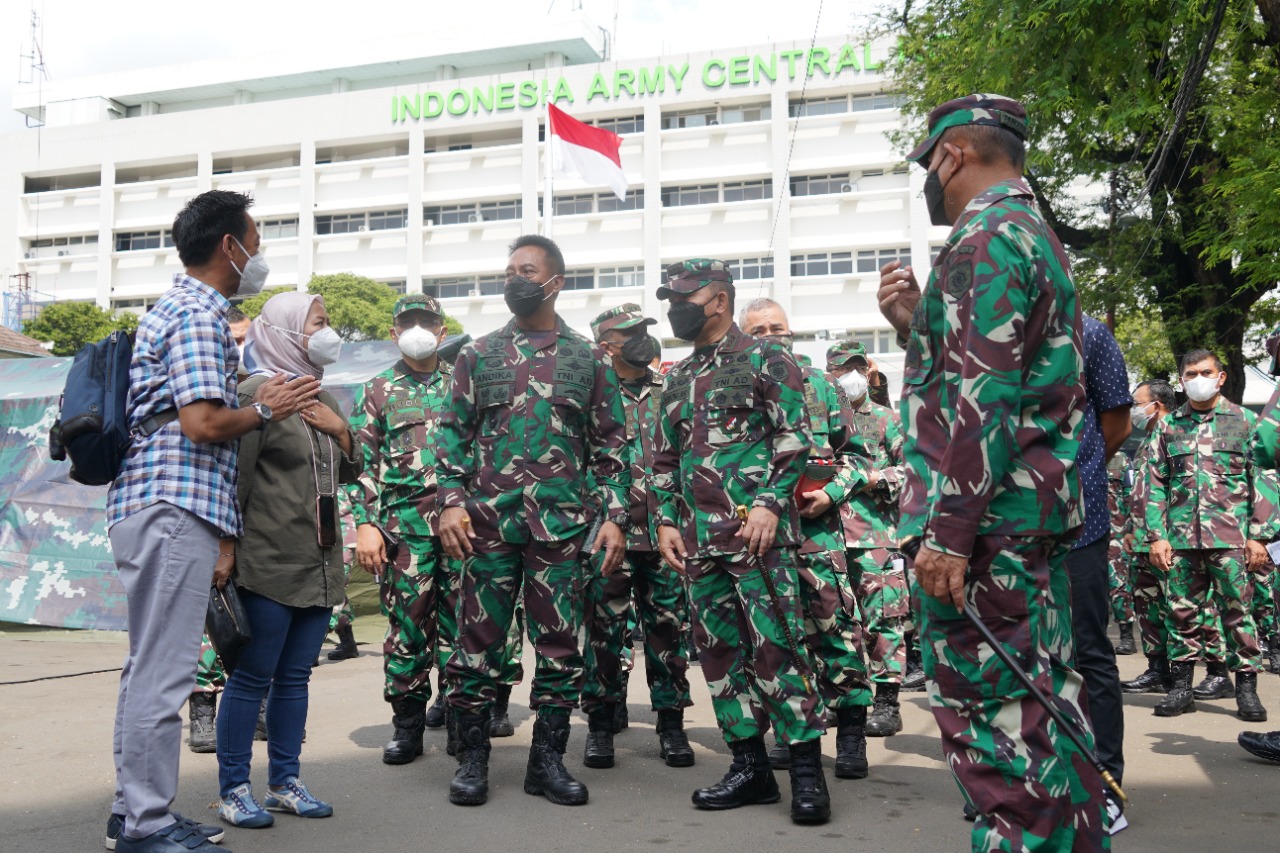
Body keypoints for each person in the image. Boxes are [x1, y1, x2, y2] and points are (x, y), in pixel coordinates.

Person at [877, 94, 1108, 850]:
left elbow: (987, 400)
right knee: (1043, 712)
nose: (928, 181)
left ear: (956, 153)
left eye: (928, 163)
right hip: (1020, 520)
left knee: (997, 734)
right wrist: (919, 326)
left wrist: (946, 533)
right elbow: (997, 371)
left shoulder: (985, 237)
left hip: (984, 532)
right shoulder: (1031, 231)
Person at [104, 189, 318, 853]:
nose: (258, 251)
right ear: (230, 245)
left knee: (148, 670)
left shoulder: (175, 310)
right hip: (173, 505)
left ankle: (133, 813)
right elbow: (201, 423)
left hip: (158, 504)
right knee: (164, 674)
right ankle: (145, 823)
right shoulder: (197, 314)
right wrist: (266, 409)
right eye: (254, 236)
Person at [434, 234, 630, 808]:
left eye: (526, 269)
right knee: (476, 644)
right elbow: (451, 436)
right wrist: (449, 500)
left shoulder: (588, 358)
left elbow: (613, 444)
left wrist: (614, 515)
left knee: (561, 648)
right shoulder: (479, 354)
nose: (513, 278)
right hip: (486, 527)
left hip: (562, 531)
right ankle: (471, 761)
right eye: (509, 270)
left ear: (555, 281)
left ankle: (547, 762)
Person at [653, 260, 831, 825]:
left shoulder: (764, 357)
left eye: (686, 296)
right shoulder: (678, 376)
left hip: (758, 539)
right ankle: (750, 768)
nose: (676, 306)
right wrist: (664, 521)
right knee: (720, 657)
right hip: (699, 543)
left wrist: (769, 503)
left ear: (720, 300)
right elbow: (662, 459)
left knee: (778, 649)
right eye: (671, 297)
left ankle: (805, 773)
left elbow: (794, 436)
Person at [213, 291, 359, 829]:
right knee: (252, 677)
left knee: (296, 677)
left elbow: (348, 471)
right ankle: (233, 789)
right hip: (268, 557)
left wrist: (340, 430)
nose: (328, 332)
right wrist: (227, 549)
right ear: (288, 330)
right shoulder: (258, 393)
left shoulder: (322, 396)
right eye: (318, 323)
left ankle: (283, 782)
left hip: (318, 559)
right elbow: (235, 478)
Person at [739, 299, 874, 780]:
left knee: (836, 634)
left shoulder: (822, 385)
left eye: (778, 327)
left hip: (815, 534)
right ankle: (790, 735)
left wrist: (830, 494)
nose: (770, 336)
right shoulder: (734, 385)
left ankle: (853, 737)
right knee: (774, 640)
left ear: (792, 332)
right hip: (756, 539)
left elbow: (860, 459)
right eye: (758, 330)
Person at [346, 293, 465, 765]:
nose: (418, 329)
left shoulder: (463, 384)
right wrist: (366, 524)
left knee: (464, 632)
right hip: (403, 533)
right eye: (408, 322)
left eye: (427, 322)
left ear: (442, 331)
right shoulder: (376, 390)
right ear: (394, 333)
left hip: (463, 532)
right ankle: (407, 727)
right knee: (408, 630)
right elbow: (358, 465)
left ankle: (463, 724)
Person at [581, 303, 694, 770]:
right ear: (604, 344)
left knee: (669, 631)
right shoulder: (588, 394)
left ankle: (671, 725)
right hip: (608, 535)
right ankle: (602, 726)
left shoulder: (670, 389)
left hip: (664, 532)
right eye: (627, 333)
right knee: (605, 634)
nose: (640, 338)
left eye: (644, 329)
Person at [1146, 349, 1277, 722]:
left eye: (1205, 372)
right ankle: (1182, 688)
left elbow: (1265, 480)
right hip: (1182, 540)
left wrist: (1260, 536)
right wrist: (1157, 535)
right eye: (1190, 373)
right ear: (1182, 380)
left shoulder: (1245, 421)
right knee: (1180, 613)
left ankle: (1247, 690)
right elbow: (1155, 483)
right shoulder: (1169, 426)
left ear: (1220, 378)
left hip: (1233, 539)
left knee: (1238, 613)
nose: (1198, 378)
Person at [1065, 314, 1132, 832]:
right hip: (1009, 531)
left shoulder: (1089, 333)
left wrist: (1079, 471)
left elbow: (1116, 423)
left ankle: (1105, 784)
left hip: (1079, 525)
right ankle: (1034, 781)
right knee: (1024, 653)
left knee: (1089, 652)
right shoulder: (990, 326)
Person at [825, 340, 909, 738]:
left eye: (858, 368)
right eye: (842, 369)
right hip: (827, 536)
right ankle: (842, 700)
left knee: (883, 619)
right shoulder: (819, 418)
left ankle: (887, 703)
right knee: (835, 623)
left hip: (875, 536)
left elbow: (913, 472)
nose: (850, 376)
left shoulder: (885, 419)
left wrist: (878, 478)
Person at [1120, 380, 1183, 695]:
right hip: (1143, 541)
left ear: (1156, 405)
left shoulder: (1179, 436)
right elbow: (1142, 492)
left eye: (1136, 403)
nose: (1133, 410)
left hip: (1170, 541)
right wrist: (1131, 529)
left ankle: (1186, 678)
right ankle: (1157, 670)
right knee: (1149, 608)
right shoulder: (1147, 440)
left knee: (1180, 608)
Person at [1105, 454, 1137, 655]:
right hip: (1081, 533)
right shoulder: (1076, 450)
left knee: (1119, 585)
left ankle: (1127, 637)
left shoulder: (1120, 460)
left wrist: (1132, 529)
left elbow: (1132, 495)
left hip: (1116, 533)